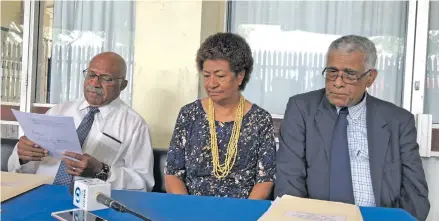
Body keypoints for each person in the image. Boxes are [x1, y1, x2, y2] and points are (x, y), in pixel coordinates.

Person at [275, 35, 430, 220]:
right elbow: (289, 181)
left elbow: (415, 194)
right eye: (332, 72)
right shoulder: (301, 109)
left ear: (370, 78)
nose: (338, 82)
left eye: (350, 74)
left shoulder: (398, 120)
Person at [8, 52, 155, 191]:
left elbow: (143, 183)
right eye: (91, 75)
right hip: (39, 193)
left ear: (122, 85)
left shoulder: (134, 125)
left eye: (106, 78)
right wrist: (22, 157)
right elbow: (16, 168)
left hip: (90, 203)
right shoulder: (58, 112)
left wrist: (101, 172)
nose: (95, 83)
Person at [164, 32, 276, 199]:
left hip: (241, 212)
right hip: (191, 209)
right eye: (206, 76)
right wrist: (187, 210)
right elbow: (172, 174)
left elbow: (265, 179)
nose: (211, 84)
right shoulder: (189, 114)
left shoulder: (260, 119)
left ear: (240, 76)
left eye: (220, 76)